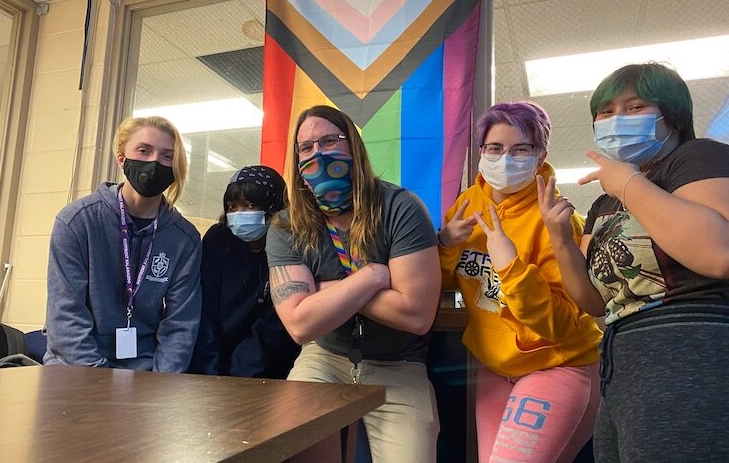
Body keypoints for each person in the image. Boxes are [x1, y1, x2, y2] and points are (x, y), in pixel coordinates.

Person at [538, 63, 729, 462]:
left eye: (635, 106)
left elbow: (717, 253)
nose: (616, 119)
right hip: (624, 360)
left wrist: (627, 182)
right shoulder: (604, 203)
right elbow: (593, 302)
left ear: (671, 116)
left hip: (692, 349)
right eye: (605, 112)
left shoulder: (697, 156)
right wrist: (559, 237)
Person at [265, 105, 441, 462]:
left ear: (354, 148)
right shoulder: (287, 226)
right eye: (306, 147)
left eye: (329, 140)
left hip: (398, 366)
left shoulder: (401, 207)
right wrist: (373, 276)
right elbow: (300, 325)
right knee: (293, 443)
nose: (318, 153)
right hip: (324, 357)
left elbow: (416, 314)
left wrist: (329, 290)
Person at [438, 101, 602, 462]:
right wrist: (446, 244)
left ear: (540, 155)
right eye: (494, 149)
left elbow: (559, 324)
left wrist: (510, 264)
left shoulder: (556, 220)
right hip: (494, 367)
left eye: (520, 149)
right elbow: (443, 285)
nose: (504, 159)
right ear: (481, 151)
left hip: (557, 364)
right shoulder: (468, 204)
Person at [44, 116, 201, 372]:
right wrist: (100, 383)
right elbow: (66, 315)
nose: (154, 162)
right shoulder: (76, 222)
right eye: (144, 151)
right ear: (121, 159)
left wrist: (160, 384)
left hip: (146, 375)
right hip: (75, 371)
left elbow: (180, 325)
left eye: (167, 156)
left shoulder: (185, 239)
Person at [189, 165, 299, 377]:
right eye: (232, 206)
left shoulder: (289, 245)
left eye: (250, 205)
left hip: (267, 370)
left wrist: (234, 378)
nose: (239, 214)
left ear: (274, 207)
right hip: (210, 363)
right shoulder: (217, 239)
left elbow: (273, 328)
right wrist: (210, 371)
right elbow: (204, 309)